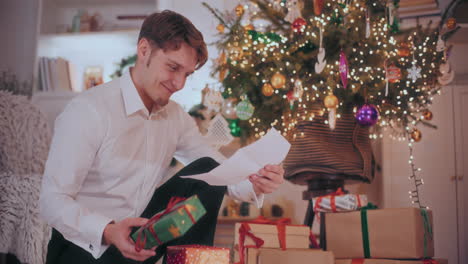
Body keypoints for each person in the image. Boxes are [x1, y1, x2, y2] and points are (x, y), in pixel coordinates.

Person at [39, 10, 285, 264]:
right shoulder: (88, 109)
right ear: (144, 50)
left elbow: (218, 173)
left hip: (138, 241)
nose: (179, 83)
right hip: (84, 248)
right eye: (173, 67)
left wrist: (255, 182)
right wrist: (108, 231)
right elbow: (51, 201)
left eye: (187, 74)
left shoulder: (175, 116)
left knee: (206, 169)